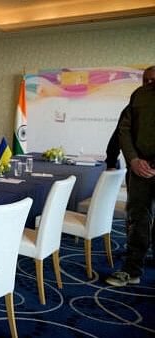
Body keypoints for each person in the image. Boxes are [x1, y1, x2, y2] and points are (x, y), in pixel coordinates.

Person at [106, 65, 155, 287]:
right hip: (139, 169)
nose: (149, 83)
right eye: (147, 80)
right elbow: (123, 130)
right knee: (137, 219)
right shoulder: (138, 96)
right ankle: (132, 268)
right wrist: (133, 160)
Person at [104, 66, 155, 170]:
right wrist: (111, 163)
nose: (149, 83)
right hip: (136, 169)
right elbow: (119, 134)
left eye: (153, 80)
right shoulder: (134, 103)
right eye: (145, 80)